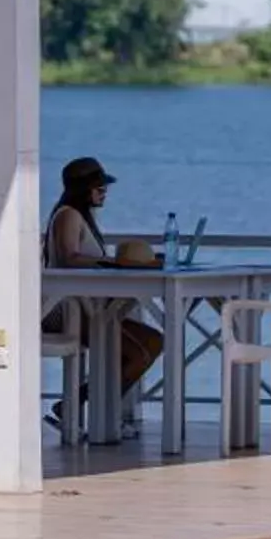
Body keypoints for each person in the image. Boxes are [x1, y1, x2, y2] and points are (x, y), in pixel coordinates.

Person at [46, 156, 164, 395]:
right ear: (83, 189)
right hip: (66, 310)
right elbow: (70, 257)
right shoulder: (68, 215)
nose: (104, 192)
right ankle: (89, 410)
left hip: (90, 308)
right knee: (137, 355)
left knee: (154, 341)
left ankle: (87, 403)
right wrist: (114, 262)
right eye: (99, 188)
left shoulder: (84, 217)